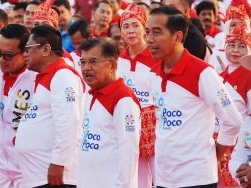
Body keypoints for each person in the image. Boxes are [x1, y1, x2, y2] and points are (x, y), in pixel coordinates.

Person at [145, 6, 242, 187]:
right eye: (147, 32)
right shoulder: (153, 74)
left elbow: (233, 120)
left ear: (178, 37)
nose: (149, 39)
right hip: (164, 178)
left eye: (156, 33)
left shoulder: (202, 73)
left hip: (197, 179)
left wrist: (214, 155)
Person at [15, 25, 85, 187]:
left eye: (28, 48)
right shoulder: (48, 76)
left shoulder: (62, 75)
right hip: (40, 175)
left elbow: (69, 122)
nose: (25, 54)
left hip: (55, 176)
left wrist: (58, 163)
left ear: (46, 49)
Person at [78, 37, 140, 188]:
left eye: (93, 61)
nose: (86, 68)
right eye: (83, 62)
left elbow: (128, 150)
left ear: (112, 65)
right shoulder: (89, 94)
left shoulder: (123, 98)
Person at [0, 24, 36, 188]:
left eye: (8, 55)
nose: (1, 59)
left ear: (25, 53)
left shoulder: (37, 78)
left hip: (28, 170)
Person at [118, 4, 157, 188]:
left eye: (135, 25)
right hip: (130, 123)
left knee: (160, 175)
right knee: (138, 177)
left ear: (144, 28)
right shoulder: (119, 60)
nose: (131, 30)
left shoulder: (156, 57)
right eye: (126, 26)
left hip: (155, 124)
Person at [219, 24, 251, 188]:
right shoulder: (219, 75)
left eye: (242, 46)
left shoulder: (249, 75)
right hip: (219, 137)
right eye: (231, 45)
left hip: (241, 138)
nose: (235, 50)